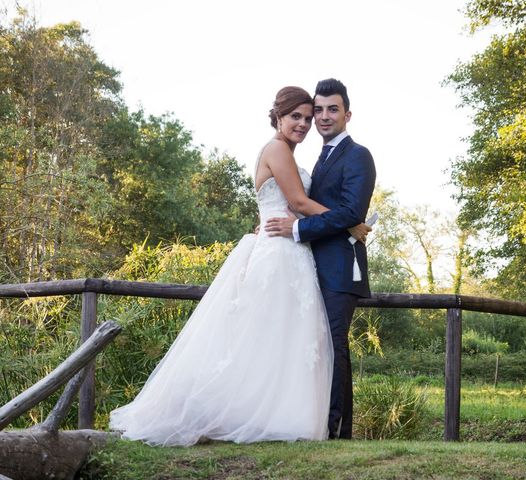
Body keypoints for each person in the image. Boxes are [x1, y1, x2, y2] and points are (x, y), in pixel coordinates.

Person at [109, 86, 364, 446]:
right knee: (262, 336)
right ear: (278, 116)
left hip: (291, 251)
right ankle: (233, 412)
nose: (305, 124)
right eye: (297, 116)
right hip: (278, 255)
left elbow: (290, 205)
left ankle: (279, 414)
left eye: (308, 118)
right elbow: (298, 201)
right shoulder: (276, 148)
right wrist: (351, 221)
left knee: (282, 339)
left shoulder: (290, 154)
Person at [265, 78, 376, 439]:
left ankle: (338, 430)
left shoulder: (357, 155)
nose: (323, 117)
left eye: (333, 110)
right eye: (319, 110)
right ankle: (317, 424)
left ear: (347, 114)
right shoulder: (320, 157)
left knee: (333, 344)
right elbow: (298, 201)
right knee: (318, 345)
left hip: (341, 267)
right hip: (311, 265)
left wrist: (298, 229)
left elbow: (349, 211)